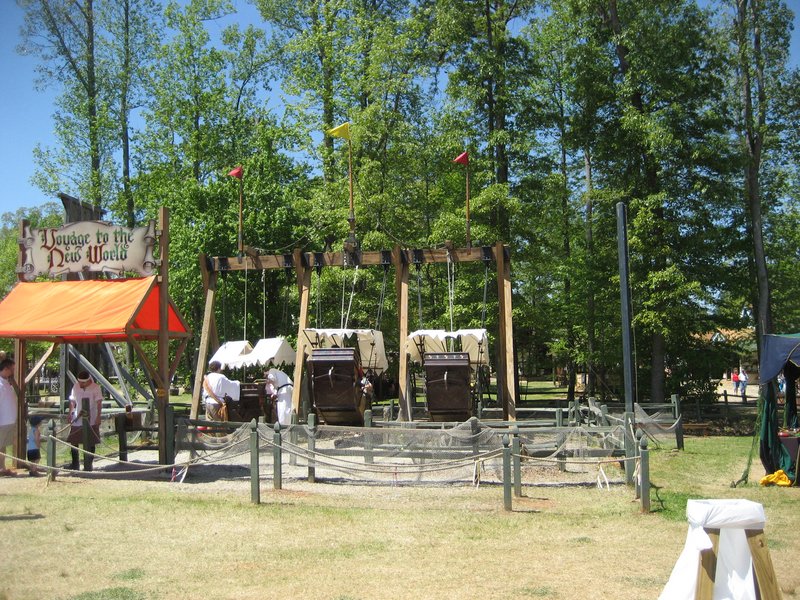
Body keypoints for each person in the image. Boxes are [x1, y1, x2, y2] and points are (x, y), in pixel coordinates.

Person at [67, 371, 103, 471]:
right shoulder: (76, 386)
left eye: (83, 382)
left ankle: (88, 464)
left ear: (88, 381)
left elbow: (99, 403)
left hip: (91, 418)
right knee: (74, 440)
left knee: (91, 441)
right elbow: (73, 401)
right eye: (79, 382)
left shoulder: (96, 387)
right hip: (77, 417)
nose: (80, 384)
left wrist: (98, 416)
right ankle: (75, 463)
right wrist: (70, 413)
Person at [0, 358, 18, 477]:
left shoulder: (7, 382)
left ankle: (2, 467)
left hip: (9, 421)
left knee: (3, 446)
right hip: (2, 421)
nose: (13, 372)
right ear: (6, 369)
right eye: (12, 369)